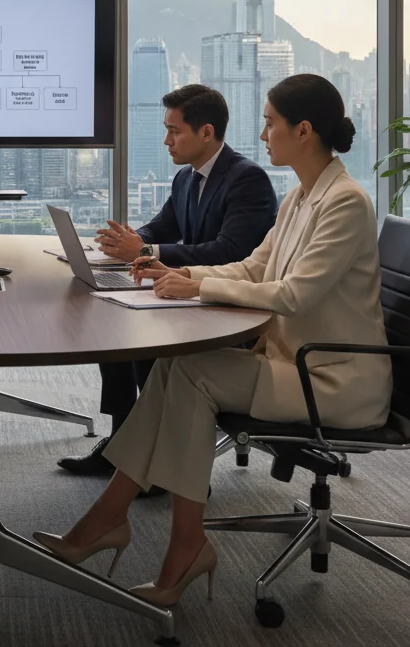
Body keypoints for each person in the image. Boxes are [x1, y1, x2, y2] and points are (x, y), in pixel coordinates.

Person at [34, 74, 391, 607]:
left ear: (304, 130)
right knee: (177, 367)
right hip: (288, 362)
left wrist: (197, 286)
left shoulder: (345, 203)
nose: (263, 133)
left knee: (191, 372)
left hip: (332, 378)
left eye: (271, 123)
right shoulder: (300, 198)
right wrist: (178, 277)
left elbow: (295, 294)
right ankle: (135, 529)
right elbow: (253, 265)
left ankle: (148, 534)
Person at [59, 85, 276, 478]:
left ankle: (163, 459)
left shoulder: (248, 179)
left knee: (142, 341)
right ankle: (123, 441)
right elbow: (161, 227)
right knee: (114, 327)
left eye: (174, 131)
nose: (166, 140)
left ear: (206, 133)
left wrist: (146, 251)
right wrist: (125, 243)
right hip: (189, 294)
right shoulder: (185, 179)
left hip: (230, 304)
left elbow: (230, 252)